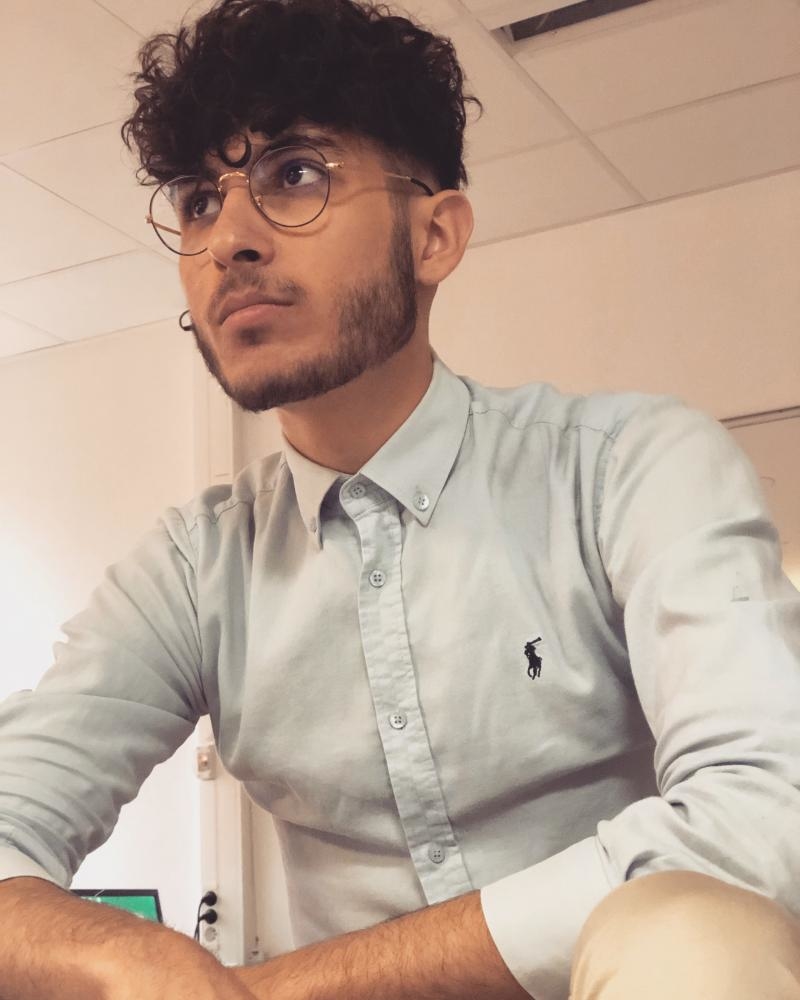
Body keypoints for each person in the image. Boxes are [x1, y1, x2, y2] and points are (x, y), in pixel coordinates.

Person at [0, 1, 799, 998]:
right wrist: (130, 957)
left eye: (295, 173)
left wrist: (264, 988)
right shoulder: (193, 570)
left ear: (434, 236)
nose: (228, 239)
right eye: (199, 200)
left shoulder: (623, 468)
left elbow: (767, 821)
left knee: (692, 933)